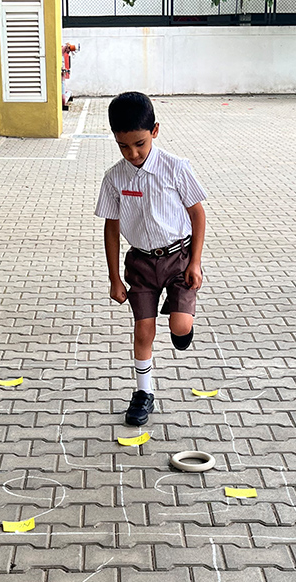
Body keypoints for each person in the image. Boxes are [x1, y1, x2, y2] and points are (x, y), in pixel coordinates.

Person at [95, 91, 207, 426]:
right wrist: (114, 278)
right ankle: (144, 393)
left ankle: (180, 319)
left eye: (140, 144)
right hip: (140, 264)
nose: (133, 153)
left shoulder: (176, 168)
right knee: (143, 330)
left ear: (155, 131)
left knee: (179, 327)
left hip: (178, 259)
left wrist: (195, 262)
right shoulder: (114, 177)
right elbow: (111, 228)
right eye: (123, 146)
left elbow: (198, 214)